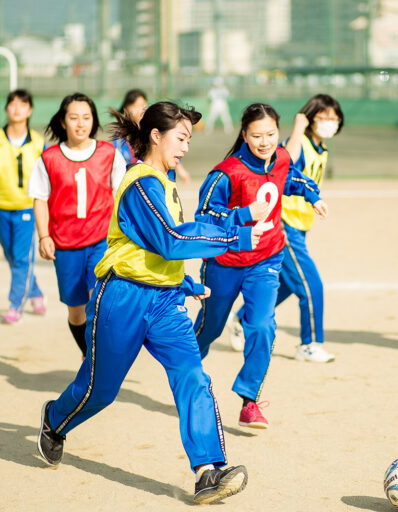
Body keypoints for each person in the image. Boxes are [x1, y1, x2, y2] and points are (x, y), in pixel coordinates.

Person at [36, 101, 259, 504]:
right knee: (100, 391)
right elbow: (170, 241)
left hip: (164, 303)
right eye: (181, 138)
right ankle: (54, 420)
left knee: (193, 376)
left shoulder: (167, 184)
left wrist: (183, 282)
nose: (186, 147)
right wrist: (234, 236)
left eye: (189, 139)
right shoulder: (141, 183)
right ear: (155, 136)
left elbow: (162, 250)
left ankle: (208, 471)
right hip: (122, 297)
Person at [193, 103, 329, 429]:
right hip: (225, 263)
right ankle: (185, 371)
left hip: (267, 258)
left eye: (270, 134)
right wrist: (242, 217)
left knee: (262, 325)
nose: (265, 141)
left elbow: (293, 178)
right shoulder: (226, 173)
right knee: (210, 328)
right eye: (257, 135)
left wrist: (314, 195)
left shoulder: (281, 158)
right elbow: (205, 217)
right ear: (244, 135)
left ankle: (248, 400)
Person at [228, 94, 344, 363]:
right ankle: (309, 344)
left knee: (288, 283)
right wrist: (299, 128)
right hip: (283, 226)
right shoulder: (298, 142)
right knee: (310, 284)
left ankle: (242, 317)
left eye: (334, 118)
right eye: (323, 117)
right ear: (309, 117)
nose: (329, 122)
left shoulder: (320, 149)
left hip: (300, 227)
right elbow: (284, 162)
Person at [27, 92, 127, 358]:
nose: (80, 123)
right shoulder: (49, 158)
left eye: (86, 117)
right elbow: (40, 198)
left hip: (101, 240)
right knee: (76, 310)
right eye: (74, 118)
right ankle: (87, 352)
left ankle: (100, 354)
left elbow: (121, 195)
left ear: (93, 121)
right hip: (66, 246)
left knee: (99, 299)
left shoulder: (109, 153)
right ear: (63, 121)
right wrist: (44, 236)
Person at [0, 89, 47, 324]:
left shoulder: (38, 143)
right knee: (12, 256)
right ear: (6, 108)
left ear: (29, 110)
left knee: (20, 258)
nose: (17, 108)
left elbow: (48, 181)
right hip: (0, 210)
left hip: (27, 210)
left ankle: (15, 304)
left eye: (22, 104)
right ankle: (36, 292)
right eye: (12, 104)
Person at [113, 88, 191, 183]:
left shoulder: (154, 127)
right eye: (135, 106)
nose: (139, 110)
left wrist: (181, 170)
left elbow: (169, 150)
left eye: (143, 106)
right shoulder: (119, 136)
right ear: (126, 108)